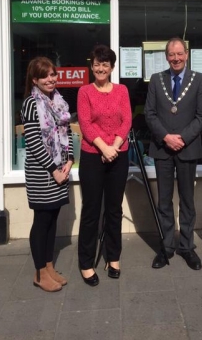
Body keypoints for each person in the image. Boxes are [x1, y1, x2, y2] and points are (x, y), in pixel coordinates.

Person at [144, 37, 202, 270]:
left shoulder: (199, 80)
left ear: (187, 54)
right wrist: (166, 137)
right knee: (164, 201)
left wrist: (181, 138)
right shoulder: (156, 79)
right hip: (162, 149)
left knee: (187, 201)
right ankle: (167, 246)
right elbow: (149, 114)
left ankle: (187, 247)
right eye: (171, 54)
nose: (176, 58)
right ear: (166, 56)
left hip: (187, 148)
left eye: (179, 54)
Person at [77, 45, 132, 286]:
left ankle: (113, 256)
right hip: (92, 156)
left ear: (112, 67)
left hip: (119, 155)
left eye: (105, 64)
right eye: (97, 64)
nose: (101, 68)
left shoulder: (122, 90)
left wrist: (115, 146)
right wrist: (104, 148)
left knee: (114, 209)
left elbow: (127, 120)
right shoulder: (84, 92)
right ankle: (86, 262)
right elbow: (86, 124)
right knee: (91, 211)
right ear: (92, 67)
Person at [21, 57, 74, 292]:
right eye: (45, 76)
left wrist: (70, 158)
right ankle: (39, 272)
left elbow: (67, 130)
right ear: (35, 79)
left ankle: (49, 267)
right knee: (42, 221)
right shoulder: (31, 104)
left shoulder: (58, 100)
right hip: (43, 172)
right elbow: (33, 141)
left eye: (53, 74)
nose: (51, 79)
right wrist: (53, 170)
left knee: (53, 219)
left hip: (60, 169)